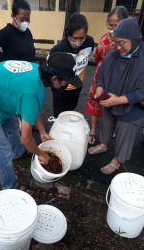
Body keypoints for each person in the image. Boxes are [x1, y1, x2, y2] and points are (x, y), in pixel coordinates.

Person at [0, 52, 83, 189]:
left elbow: (31, 109)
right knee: (3, 153)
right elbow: (26, 139)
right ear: (54, 78)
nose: (66, 84)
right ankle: (10, 187)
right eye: (66, 81)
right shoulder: (31, 92)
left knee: (13, 127)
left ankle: (18, 153)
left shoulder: (37, 71)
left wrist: (42, 131)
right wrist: (41, 154)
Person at [88, 18, 144, 175]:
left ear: (134, 39)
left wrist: (118, 100)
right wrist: (100, 89)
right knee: (106, 123)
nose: (118, 47)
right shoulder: (113, 55)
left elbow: (142, 92)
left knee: (124, 132)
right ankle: (104, 144)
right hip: (109, 100)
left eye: (122, 43)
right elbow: (102, 76)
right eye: (116, 42)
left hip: (131, 107)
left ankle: (117, 160)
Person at [84, 6, 128, 145]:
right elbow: (97, 57)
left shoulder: (128, 40)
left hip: (119, 77)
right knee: (95, 100)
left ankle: (112, 129)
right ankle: (93, 130)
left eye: (117, 25)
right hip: (100, 75)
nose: (113, 28)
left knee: (114, 103)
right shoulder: (103, 38)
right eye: (111, 24)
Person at [49, 13, 94, 117]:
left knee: (71, 111)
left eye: (81, 38)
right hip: (61, 90)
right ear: (68, 33)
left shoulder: (89, 42)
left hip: (76, 86)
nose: (78, 42)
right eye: (75, 38)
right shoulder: (58, 49)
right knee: (59, 116)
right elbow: (50, 72)